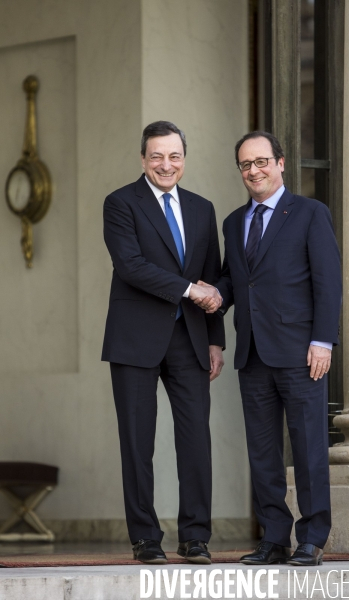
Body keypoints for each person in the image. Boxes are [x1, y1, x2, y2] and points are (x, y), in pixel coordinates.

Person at [196, 131, 342, 567]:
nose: (254, 170)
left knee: (309, 446)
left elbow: (328, 282)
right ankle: (274, 537)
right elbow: (236, 281)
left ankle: (313, 537)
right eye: (245, 165)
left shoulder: (311, 213)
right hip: (253, 355)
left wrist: (322, 340)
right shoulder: (233, 223)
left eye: (261, 161)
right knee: (262, 453)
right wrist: (213, 294)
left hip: (302, 353)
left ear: (280, 164)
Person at [102, 121, 224, 565]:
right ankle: (145, 538)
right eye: (157, 156)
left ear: (184, 160)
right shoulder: (120, 203)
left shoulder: (202, 208)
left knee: (196, 440)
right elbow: (131, 266)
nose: (165, 164)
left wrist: (215, 341)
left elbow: (212, 275)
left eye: (174, 156)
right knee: (137, 442)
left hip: (190, 339)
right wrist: (190, 290)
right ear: (142, 159)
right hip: (134, 340)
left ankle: (195, 537)